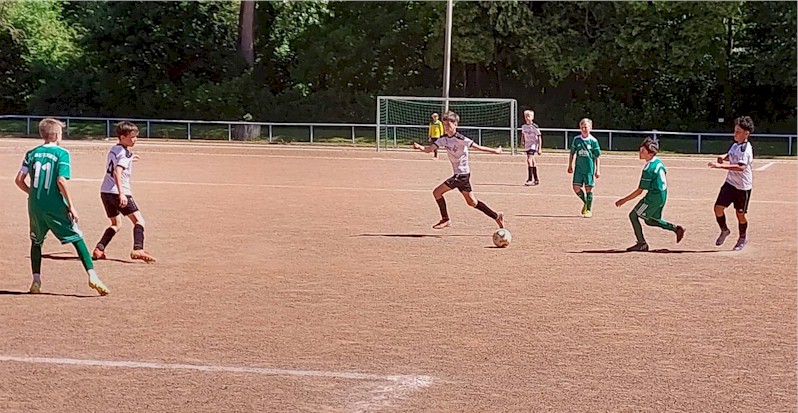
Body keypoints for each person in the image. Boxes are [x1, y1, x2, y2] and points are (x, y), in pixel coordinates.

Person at [14, 118, 110, 295]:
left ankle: (36, 280)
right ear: (58, 134)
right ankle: (92, 276)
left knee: (36, 241)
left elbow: (19, 180)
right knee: (77, 238)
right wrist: (71, 205)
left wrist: (32, 194)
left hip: (35, 205)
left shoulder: (31, 153)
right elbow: (61, 181)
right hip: (55, 205)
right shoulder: (62, 154)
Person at [412, 110, 505, 229]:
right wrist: (419, 147)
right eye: (445, 125)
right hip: (461, 175)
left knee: (437, 192)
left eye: (449, 125)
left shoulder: (461, 139)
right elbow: (429, 149)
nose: (446, 128)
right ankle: (497, 216)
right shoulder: (443, 139)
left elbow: (477, 147)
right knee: (472, 202)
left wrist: (495, 151)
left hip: (461, 175)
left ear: (456, 125)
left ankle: (445, 219)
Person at [92, 121, 157, 263]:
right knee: (139, 221)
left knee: (116, 223)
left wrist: (130, 159)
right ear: (122, 137)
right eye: (131, 137)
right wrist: (121, 193)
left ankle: (99, 248)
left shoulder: (115, 149)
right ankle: (138, 249)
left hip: (105, 191)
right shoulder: (125, 153)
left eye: (136, 137)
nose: (135, 140)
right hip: (118, 192)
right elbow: (117, 171)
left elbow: (116, 163)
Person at [615, 136, 685, 251]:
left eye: (643, 151)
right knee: (650, 220)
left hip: (653, 198)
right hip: (662, 195)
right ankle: (676, 229)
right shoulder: (658, 162)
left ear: (650, 154)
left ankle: (642, 243)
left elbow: (639, 191)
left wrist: (623, 200)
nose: (640, 152)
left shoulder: (648, 169)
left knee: (633, 215)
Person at [708, 115, 755, 251]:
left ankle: (742, 237)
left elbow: (741, 167)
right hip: (730, 183)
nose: (735, 134)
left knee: (740, 214)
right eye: (735, 131)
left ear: (746, 134)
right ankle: (724, 230)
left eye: (738, 132)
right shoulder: (736, 145)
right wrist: (724, 157)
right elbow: (731, 155)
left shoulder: (746, 149)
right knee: (718, 208)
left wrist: (720, 166)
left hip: (742, 187)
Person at [567, 118, 601, 217]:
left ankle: (589, 210)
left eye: (586, 127)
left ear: (590, 128)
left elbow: (597, 156)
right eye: (582, 127)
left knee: (588, 189)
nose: (584, 129)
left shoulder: (593, 141)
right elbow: (572, 153)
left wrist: (597, 170)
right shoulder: (576, 139)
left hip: (589, 169)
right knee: (576, 187)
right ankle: (586, 202)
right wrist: (570, 165)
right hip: (578, 168)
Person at [520, 110, 542, 186]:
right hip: (527, 145)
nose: (527, 118)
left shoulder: (535, 127)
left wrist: (539, 148)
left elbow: (539, 137)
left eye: (529, 116)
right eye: (526, 116)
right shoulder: (524, 126)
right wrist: (522, 141)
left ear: (532, 117)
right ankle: (536, 179)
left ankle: (530, 179)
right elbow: (523, 135)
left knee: (529, 160)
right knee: (532, 162)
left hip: (533, 145)